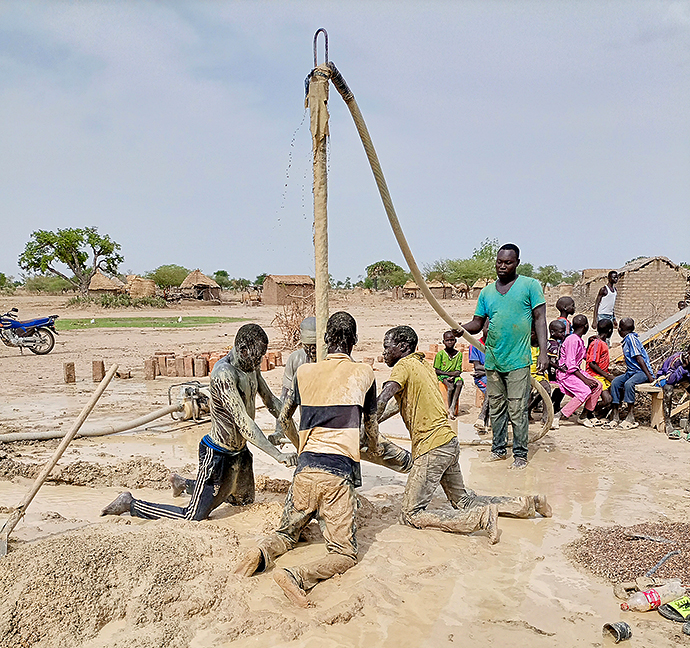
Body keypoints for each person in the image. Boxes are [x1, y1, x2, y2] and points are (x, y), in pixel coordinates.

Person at [233, 312, 410, 608]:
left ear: (326, 340)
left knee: (287, 534)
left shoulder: (304, 373)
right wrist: (375, 448)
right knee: (344, 554)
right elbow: (372, 427)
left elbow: (283, 416)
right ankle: (297, 575)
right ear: (354, 341)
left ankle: (260, 554)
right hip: (336, 474)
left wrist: (300, 444)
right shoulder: (365, 373)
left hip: (304, 472)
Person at [101, 324, 297, 520]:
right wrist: (278, 455)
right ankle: (130, 503)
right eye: (256, 357)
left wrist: (296, 439)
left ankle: (183, 484)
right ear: (242, 349)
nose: (258, 362)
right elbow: (243, 423)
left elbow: (271, 401)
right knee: (193, 516)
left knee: (243, 502)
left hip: (241, 454)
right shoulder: (224, 373)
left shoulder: (251, 367)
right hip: (218, 456)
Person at [376, 325, 552, 543]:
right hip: (448, 442)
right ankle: (527, 503)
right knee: (464, 500)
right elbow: (396, 404)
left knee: (411, 514)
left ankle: (479, 520)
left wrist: (365, 425)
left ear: (402, 347)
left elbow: (384, 398)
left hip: (431, 448)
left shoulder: (403, 366)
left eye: (386, 347)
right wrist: (376, 419)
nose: (383, 352)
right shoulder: (423, 365)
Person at [455, 243, 548, 469]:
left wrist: (544, 353)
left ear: (517, 263)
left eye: (508, 262)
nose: (502, 266)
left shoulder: (530, 286)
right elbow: (477, 323)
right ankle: (497, 449)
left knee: (517, 409)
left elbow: (540, 320)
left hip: (518, 360)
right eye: (499, 262)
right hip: (493, 360)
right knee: (496, 408)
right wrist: (460, 329)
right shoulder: (487, 292)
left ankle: (519, 454)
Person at [551, 315, 603, 429]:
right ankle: (557, 416)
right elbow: (570, 365)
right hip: (566, 374)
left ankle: (584, 415)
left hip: (575, 372)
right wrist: (585, 380)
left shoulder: (578, 339)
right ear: (586, 327)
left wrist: (590, 344)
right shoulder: (572, 340)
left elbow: (584, 356)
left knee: (598, 385)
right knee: (585, 391)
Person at [606, 318, 654, 430]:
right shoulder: (627, 340)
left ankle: (630, 416)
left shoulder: (631, 339)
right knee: (616, 382)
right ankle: (615, 415)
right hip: (631, 372)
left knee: (629, 384)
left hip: (641, 372)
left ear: (620, 330)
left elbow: (639, 358)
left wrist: (650, 376)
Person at [656, 347, 690, 439]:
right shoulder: (676, 359)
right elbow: (670, 379)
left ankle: (688, 425)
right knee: (668, 390)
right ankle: (668, 424)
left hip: (683, 379)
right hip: (666, 377)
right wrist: (683, 367)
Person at [280, 317, 317, 402]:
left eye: (315, 345)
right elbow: (285, 395)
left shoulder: (333, 360)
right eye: (309, 346)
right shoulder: (296, 359)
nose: (313, 350)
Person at [585, 319, 615, 415]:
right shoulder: (597, 343)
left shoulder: (601, 342)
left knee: (617, 389)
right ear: (610, 330)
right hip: (595, 375)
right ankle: (589, 411)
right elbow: (592, 363)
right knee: (607, 399)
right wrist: (606, 375)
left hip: (601, 375)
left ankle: (598, 412)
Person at [433, 331, 464, 419]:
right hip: (443, 376)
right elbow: (437, 371)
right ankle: (448, 408)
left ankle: (452, 407)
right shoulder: (440, 354)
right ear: (443, 342)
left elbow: (458, 371)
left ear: (455, 341)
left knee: (459, 383)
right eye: (447, 340)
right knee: (450, 387)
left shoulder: (459, 355)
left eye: (452, 340)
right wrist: (449, 374)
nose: (449, 342)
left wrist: (453, 376)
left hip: (455, 376)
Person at [469, 321, 490, 432]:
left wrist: (485, 370)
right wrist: (490, 371)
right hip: (482, 378)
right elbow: (477, 367)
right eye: (487, 327)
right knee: (491, 389)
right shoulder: (475, 345)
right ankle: (482, 417)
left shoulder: (498, 345)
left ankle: (484, 420)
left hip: (493, 376)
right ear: (482, 329)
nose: (490, 330)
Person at [593, 271, 618, 343]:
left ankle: (606, 347)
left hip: (610, 315)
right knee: (601, 333)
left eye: (617, 277)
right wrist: (595, 320)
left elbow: (612, 306)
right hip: (602, 315)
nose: (616, 279)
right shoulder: (604, 290)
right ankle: (600, 347)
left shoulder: (615, 290)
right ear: (608, 278)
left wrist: (614, 318)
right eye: (614, 277)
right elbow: (597, 304)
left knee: (609, 333)